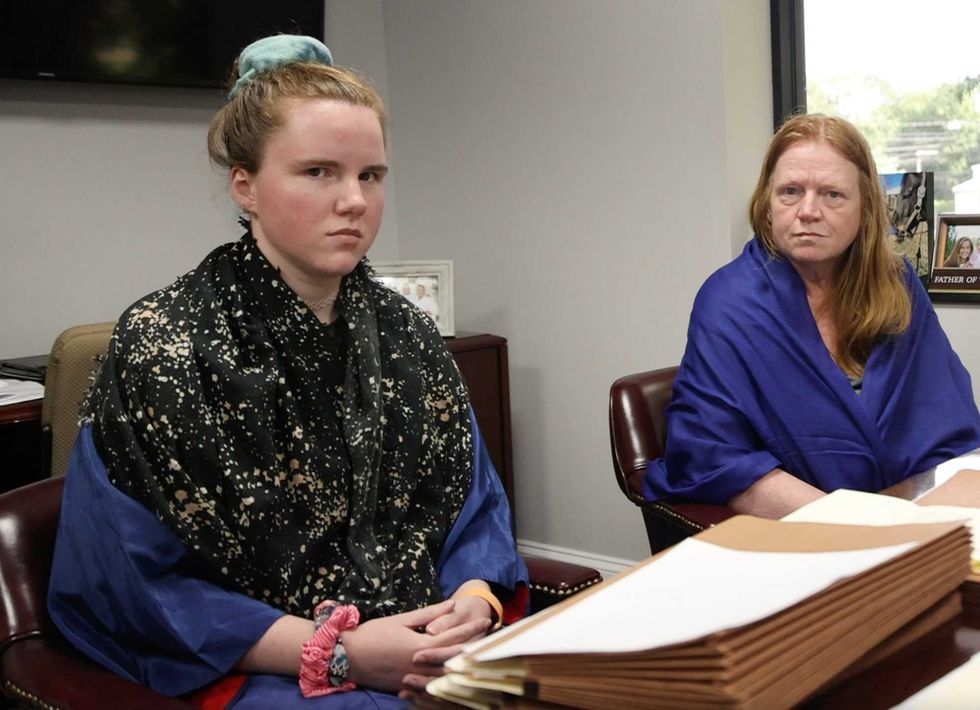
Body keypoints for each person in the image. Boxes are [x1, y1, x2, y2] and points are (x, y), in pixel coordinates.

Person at [47, 35, 528, 709]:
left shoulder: (408, 333)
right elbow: (138, 578)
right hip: (260, 662)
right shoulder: (164, 345)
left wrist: (474, 600)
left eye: (371, 175)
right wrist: (339, 652)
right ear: (245, 184)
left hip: (429, 633)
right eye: (318, 172)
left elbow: (468, 506)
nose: (355, 200)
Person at [644, 113, 980, 519]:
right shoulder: (727, 304)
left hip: (913, 514)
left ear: (866, 208)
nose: (807, 211)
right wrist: (859, 524)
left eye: (832, 195)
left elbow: (950, 426)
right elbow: (712, 457)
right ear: (767, 205)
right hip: (803, 531)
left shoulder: (898, 284)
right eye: (789, 191)